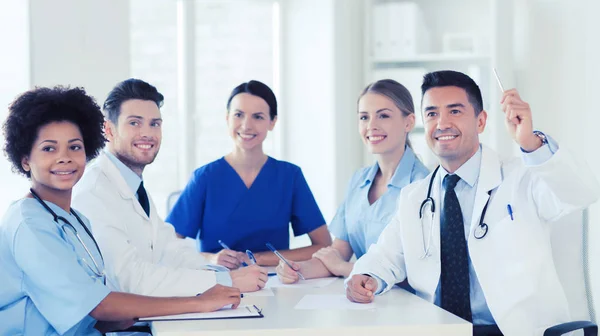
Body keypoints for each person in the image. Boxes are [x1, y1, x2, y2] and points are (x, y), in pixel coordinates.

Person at [345, 70, 600, 336]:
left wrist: (531, 143)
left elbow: (582, 193)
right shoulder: (415, 197)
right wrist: (366, 276)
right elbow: (384, 256)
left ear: (481, 121)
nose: (442, 123)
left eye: (455, 111)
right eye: (432, 113)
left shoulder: (522, 177)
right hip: (442, 332)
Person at [0, 86, 242, 336]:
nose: (65, 158)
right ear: (25, 159)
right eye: (49, 149)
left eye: (74, 147)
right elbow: (99, 304)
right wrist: (199, 302)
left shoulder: (74, 219)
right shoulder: (29, 224)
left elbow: (85, 303)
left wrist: (119, 319)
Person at [72, 79, 267, 297]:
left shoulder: (133, 186)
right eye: (135, 123)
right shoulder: (94, 192)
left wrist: (222, 272)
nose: (147, 133)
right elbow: (129, 279)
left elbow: (170, 250)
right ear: (109, 130)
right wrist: (225, 280)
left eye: (154, 123)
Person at [166, 80, 332, 268]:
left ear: (272, 122)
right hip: (216, 282)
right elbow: (168, 247)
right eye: (239, 115)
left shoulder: (290, 176)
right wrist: (211, 258)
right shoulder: (205, 177)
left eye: (258, 117)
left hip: (275, 282)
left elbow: (324, 245)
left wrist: (258, 259)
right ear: (227, 118)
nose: (246, 125)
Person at [276, 79, 428, 283]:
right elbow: (338, 252)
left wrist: (343, 268)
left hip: (408, 304)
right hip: (364, 299)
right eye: (364, 117)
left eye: (383, 116)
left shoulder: (424, 185)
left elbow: (416, 270)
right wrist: (297, 268)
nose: (371, 126)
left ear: (408, 122)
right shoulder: (359, 180)